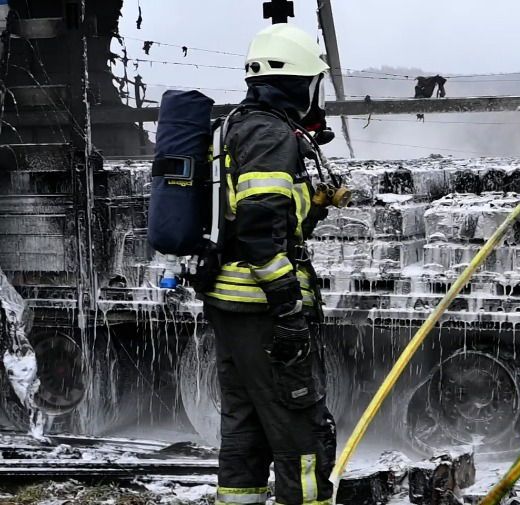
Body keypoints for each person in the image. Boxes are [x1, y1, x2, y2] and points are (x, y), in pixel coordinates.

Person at [200, 23, 336, 505]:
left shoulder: (235, 125)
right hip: (263, 309)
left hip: (231, 302)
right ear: (298, 82)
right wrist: (289, 310)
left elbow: (259, 219)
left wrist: (314, 203)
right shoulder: (269, 133)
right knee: (302, 432)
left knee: (245, 429)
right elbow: (260, 233)